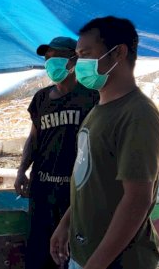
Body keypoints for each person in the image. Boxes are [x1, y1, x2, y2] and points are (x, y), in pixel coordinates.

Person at [49, 17, 159, 269]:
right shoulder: (99, 109)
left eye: (87, 54)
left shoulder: (138, 114)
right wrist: (65, 223)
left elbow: (137, 199)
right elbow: (89, 180)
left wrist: (96, 264)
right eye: (78, 57)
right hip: (86, 254)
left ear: (118, 53)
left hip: (118, 261)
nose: (80, 65)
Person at [14, 36, 100, 269]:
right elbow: (33, 138)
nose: (50, 63)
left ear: (74, 60)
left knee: (70, 252)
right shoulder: (41, 98)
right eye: (47, 58)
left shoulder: (91, 96)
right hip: (42, 188)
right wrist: (22, 170)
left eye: (57, 57)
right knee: (39, 252)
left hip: (75, 191)